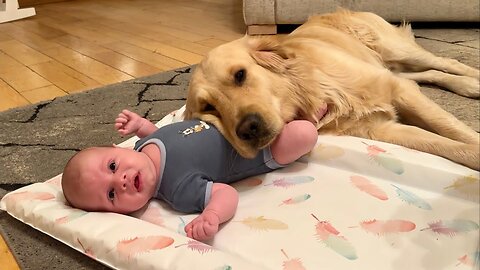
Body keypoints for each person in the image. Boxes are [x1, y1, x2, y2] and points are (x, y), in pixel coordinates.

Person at [61, 109, 318, 240]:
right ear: (120, 214)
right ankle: (309, 119)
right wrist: (212, 215)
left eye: (113, 167)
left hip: (235, 118)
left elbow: (160, 136)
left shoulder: (142, 145)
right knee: (303, 133)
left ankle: (292, 109)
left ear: (117, 148)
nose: (121, 180)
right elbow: (225, 193)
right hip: (261, 148)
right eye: (111, 194)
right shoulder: (178, 190)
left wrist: (141, 126)